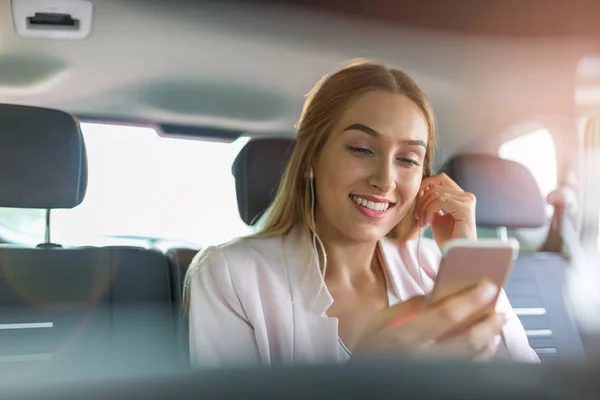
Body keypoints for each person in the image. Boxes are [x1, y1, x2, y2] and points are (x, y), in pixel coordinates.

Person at [183, 59, 539, 367]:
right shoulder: (229, 274)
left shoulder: (434, 266)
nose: (385, 180)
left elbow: (525, 382)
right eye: (361, 149)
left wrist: (469, 264)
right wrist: (363, 380)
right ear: (312, 158)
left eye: (407, 159)